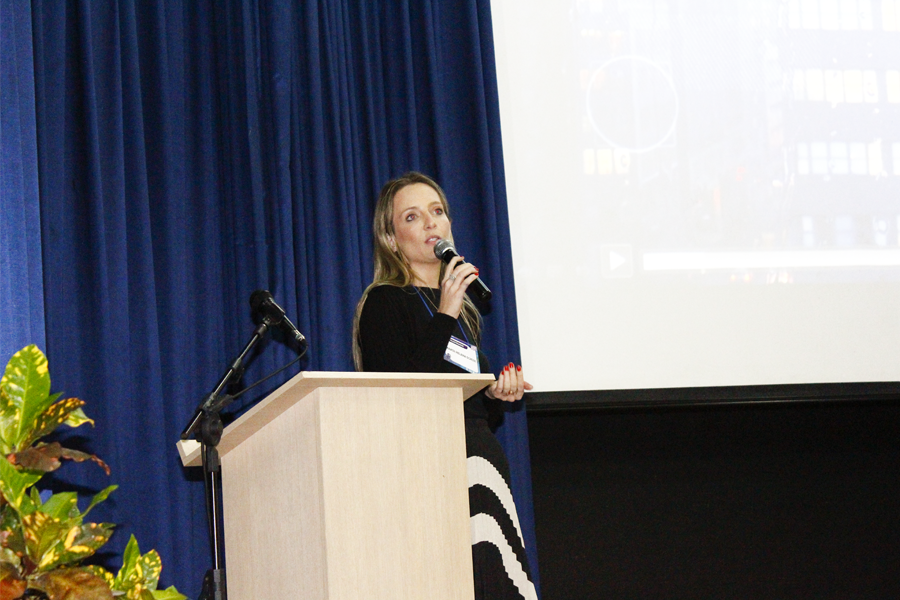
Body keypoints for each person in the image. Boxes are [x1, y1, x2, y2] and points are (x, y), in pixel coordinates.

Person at [353, 171, 538, 600]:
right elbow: (402, 392)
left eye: (437, 212)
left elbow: (471, 404)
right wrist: (445, 314)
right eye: (413, 217)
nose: (431, 224)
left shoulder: (459, 313)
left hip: (480, 462)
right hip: (428, 467)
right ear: (392, 238)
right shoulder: (384, 302)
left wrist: (495, 392)